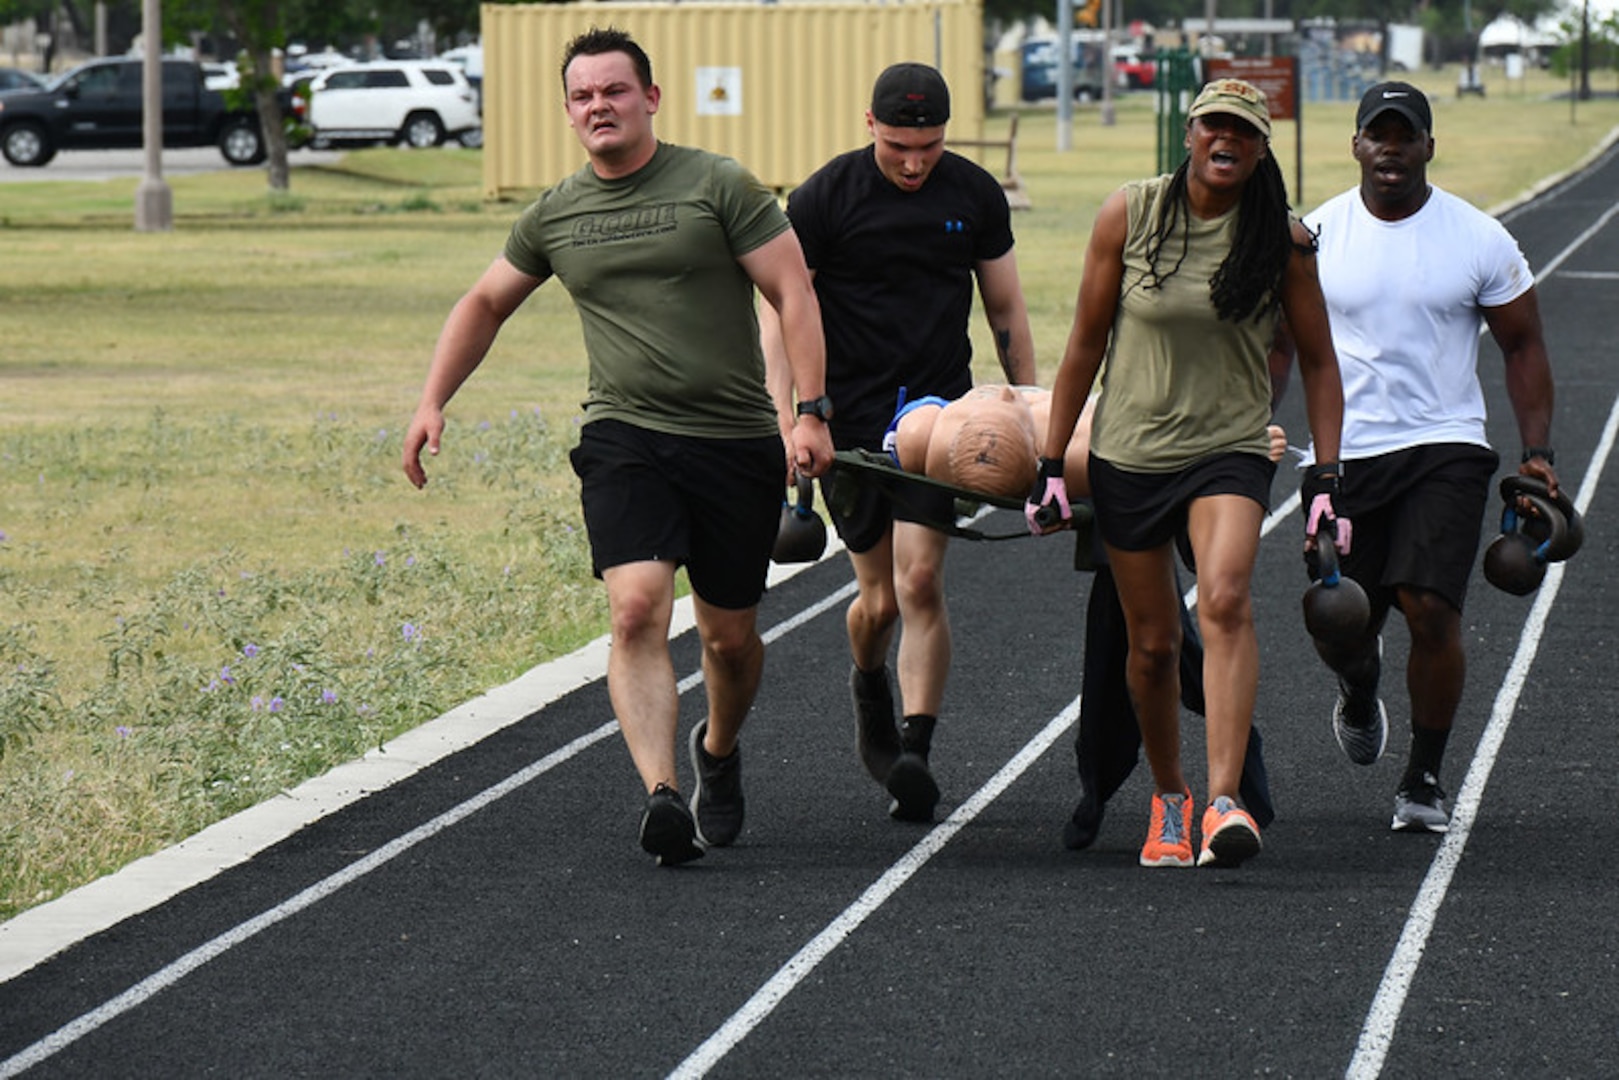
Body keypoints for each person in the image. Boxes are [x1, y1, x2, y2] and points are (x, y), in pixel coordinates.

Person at [400, 27, 834, 867]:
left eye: (613, 90)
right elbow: (484, 303)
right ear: (568, 113)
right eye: (582, 96)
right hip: (624, 435)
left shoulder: (718, 185)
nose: (598, 105)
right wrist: (430, 401)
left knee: (729, 641)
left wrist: (807, 413)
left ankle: (718, 751)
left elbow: (792, 290)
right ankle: (662, 795)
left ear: (650, 98)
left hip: (734, 440)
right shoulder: (556, 212)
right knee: (635, 606)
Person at [1029, 78, 1347, 869]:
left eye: (1242, 129)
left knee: (1228, 600)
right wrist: (1047, 462)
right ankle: (1169, 798)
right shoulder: (1129, 214)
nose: (1224, 139)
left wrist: (1327, 477)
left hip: (1227, 449)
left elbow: (1317, 362)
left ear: (1260, 148)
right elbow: (1082, 346)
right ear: (1189, 133)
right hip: (1129, 454)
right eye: (1212, 125)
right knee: (1151, 645)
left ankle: (1225, 800)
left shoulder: (1282, 239)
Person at [761, 63, 1036, 823]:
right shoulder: (823, 196)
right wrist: (787, 417)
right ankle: (867, 685)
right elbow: (785, 308)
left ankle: (914, 748)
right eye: (898, 147)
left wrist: (1029, 415)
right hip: (846, 422)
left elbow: (1005, 305)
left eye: (929, 146)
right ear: (868, 124)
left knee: (918, 582)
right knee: (875, 601)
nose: (914, 163)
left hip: (940, 416)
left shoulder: (973, 193)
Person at [1292, 81, 1558, 832]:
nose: (1390, 150)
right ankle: (1357, 685)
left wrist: (1536, 453)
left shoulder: (1478, 238)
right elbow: (1280, 347)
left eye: (1404, 136)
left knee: (1430, 608)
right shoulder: (1314, 235)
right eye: (1376, 135)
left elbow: (1522, 344)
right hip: (1345, 454)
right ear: (1354, 146)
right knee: (1337, 622)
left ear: (1427, 147)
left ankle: (1424, 776)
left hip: (1446, 445)